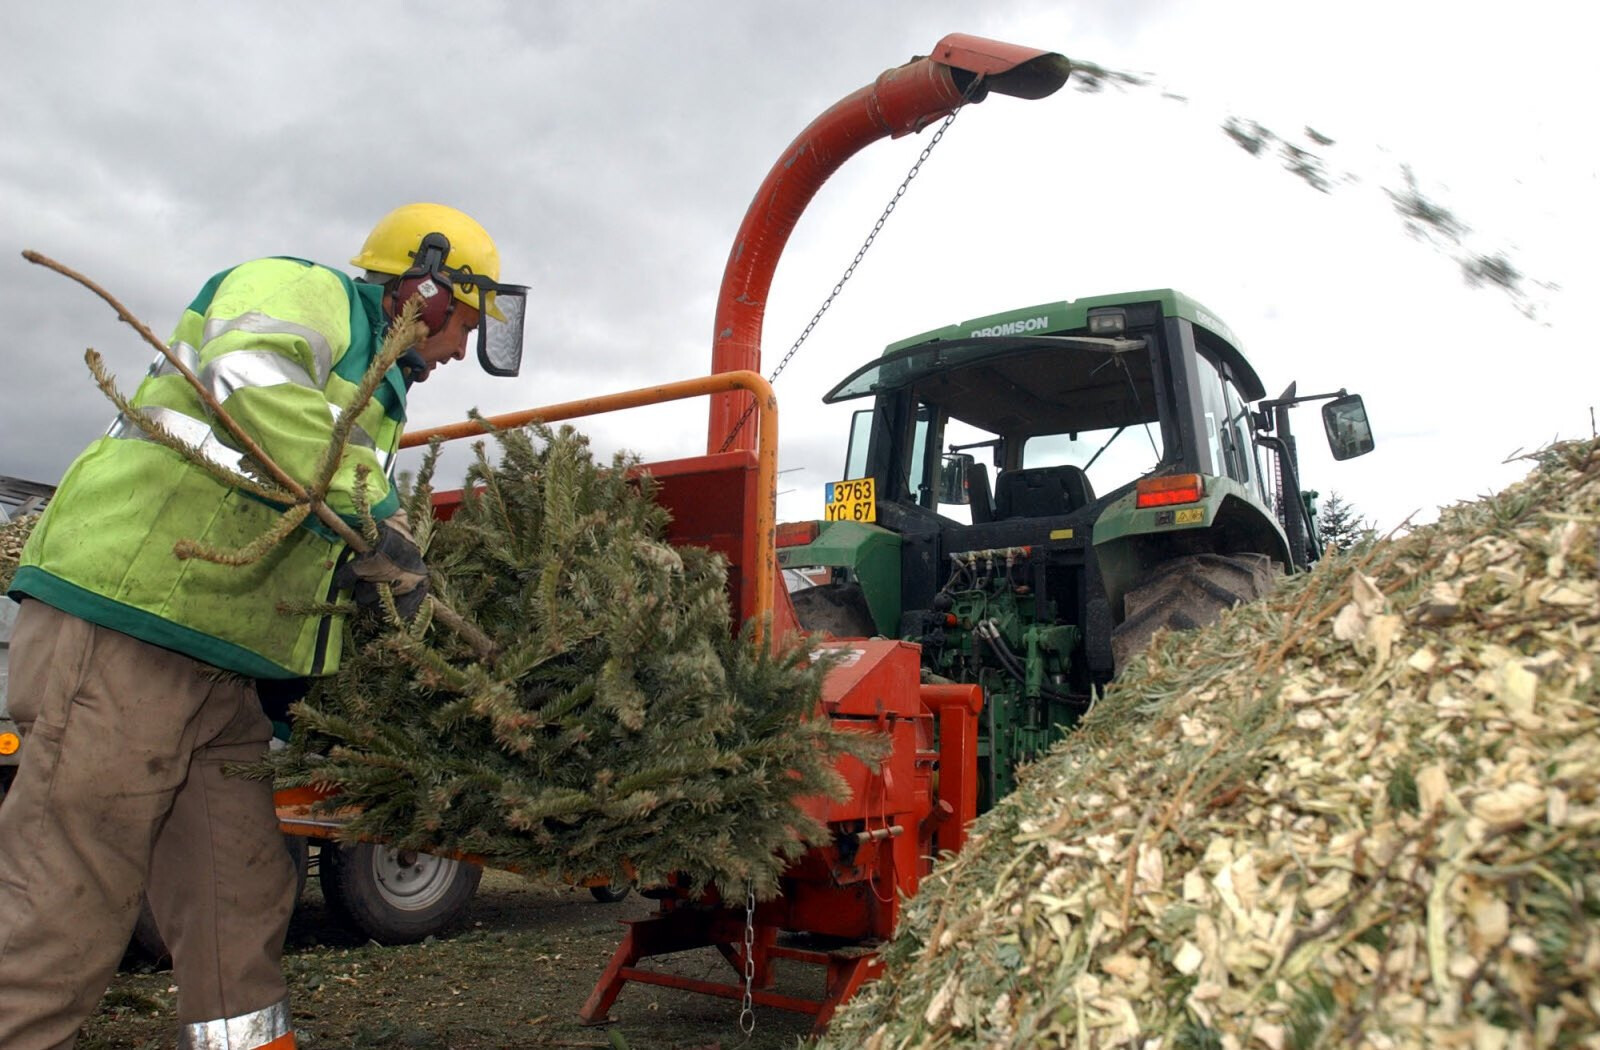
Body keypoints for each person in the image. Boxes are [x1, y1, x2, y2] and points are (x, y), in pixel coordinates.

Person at [0, 203, 527, 1050]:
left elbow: (309, 519)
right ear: (424, 289)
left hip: (220, 673)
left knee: (238, 894)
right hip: (127, 628)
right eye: (464, 323)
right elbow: (253, 379)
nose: (461, 349)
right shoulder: (303, 291)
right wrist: (374, 515)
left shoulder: (375, 399)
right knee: (65, 897)